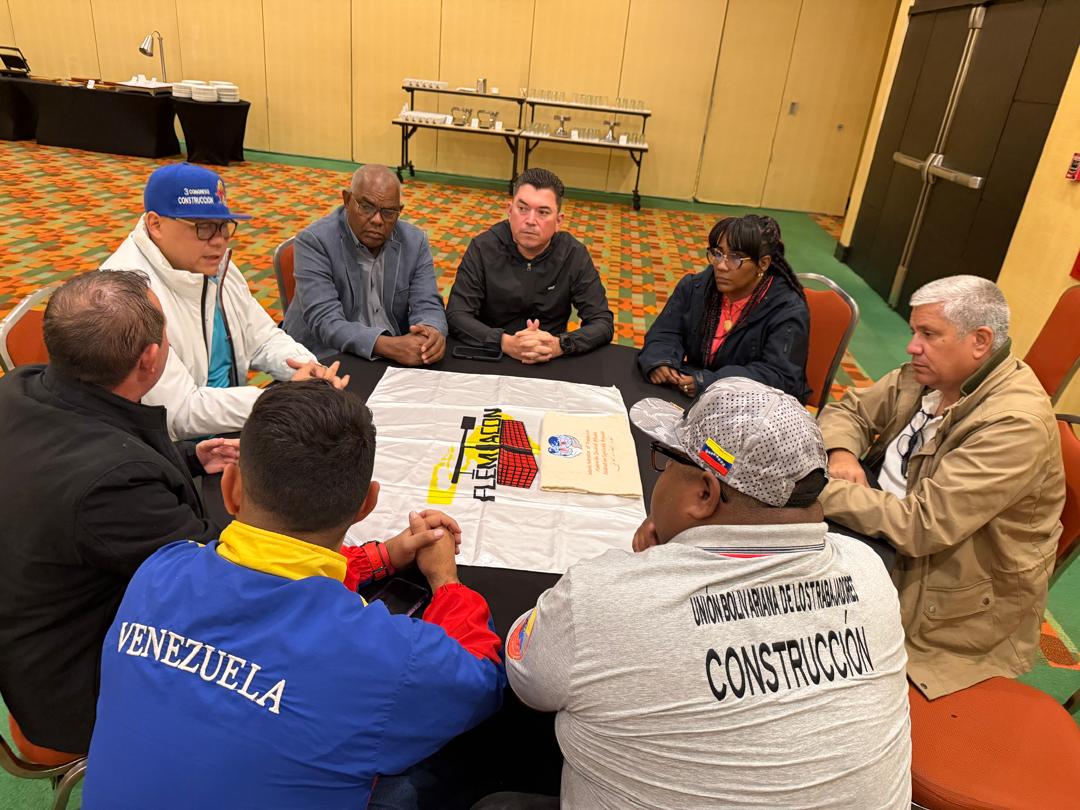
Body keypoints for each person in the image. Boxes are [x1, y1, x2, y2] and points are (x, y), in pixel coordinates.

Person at [82, 380, 505, 810]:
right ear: (367, 505)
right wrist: (445, 581)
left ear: (231, 487)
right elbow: (479, 679)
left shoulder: (160, 569)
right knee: (446, 764)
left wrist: (381, 557)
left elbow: (273, 564)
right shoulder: (383, 657)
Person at [505, 378, 911, 809]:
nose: (659, 473)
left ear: (703, 493)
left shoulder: (599, 599)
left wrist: (641, 577)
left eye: (666, 460)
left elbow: (527, 676)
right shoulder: (868, 568)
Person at [0, 271, 236, 762]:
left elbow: (92, 454)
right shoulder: (112, 485)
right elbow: (214, 574)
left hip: (33, 628)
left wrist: (189, 458)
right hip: (75, 683)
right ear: (150, 359)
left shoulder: (19, 387)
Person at [819, 275, 1064, 700]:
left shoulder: (1014, 424)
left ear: (980, 341)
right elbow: (851, 411)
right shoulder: (934, 375)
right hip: (880, 523)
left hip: (941, 595)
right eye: (914, 331)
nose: (911, 346)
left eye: (928, 334)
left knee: (790, 622)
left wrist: (818, 490)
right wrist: (841, 454)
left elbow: (922, 526)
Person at [102, 162, 345, 440]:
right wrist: (277, 401)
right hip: (174, 448)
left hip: (230, 423)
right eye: (203, 227)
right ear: (155, 225)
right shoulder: (124, 297)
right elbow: (177, 412)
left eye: (223, 226)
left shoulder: (212, 265)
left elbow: (262, 338)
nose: (219, 241)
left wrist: (305, 367)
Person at [283, 164, 448, 365]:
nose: (377, 220)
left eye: (389, 212)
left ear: (399, 211)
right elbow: (326, 321)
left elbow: (428, 302)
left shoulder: (414, 242)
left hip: (394, 354)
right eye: (367, 207)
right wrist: (388, 346)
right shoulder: (315, 241)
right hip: (328, 357)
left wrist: (430, 333)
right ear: (347, 200)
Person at [446, 167, 614, 363]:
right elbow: (456, 315)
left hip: (551, 356)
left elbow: (602, 322)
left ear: (558, 221)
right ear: (510, 211)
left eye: (543, 212)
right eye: (523, 209)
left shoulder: (573, 254)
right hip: (493, 353)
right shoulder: (483, 247)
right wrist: (505, 342)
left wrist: (560, 345)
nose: (530, 221)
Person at [637, 214, 810, 401]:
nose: (720, 266)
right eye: (718, 253)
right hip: (693, 395)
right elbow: (665, 332)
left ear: (763, 263)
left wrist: (711, 382)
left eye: (735, 258)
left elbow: (778, 375)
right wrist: (662, 361)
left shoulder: (787, 311)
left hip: (753, 408)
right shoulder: (695, 288)